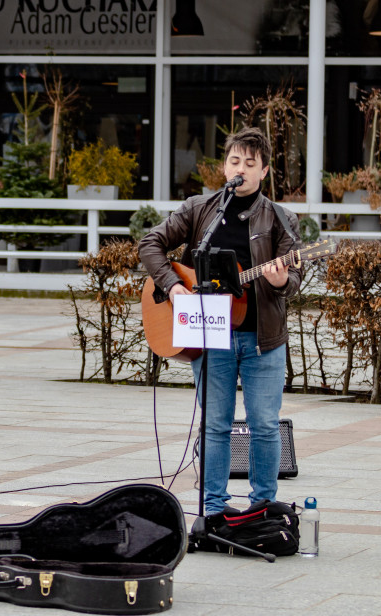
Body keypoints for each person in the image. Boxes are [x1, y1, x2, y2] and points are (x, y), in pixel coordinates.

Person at [138, 127, 302, 516]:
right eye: (234, 161)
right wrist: (174, 286)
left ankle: (263, 506)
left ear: (264, 171)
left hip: (263, 339)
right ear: (224, 167)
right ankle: (213, 508)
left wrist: (281, 280)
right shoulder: (199, 208)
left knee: (264, 424)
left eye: (250, 163)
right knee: (215, 425)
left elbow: (293, 280)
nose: (240, 169)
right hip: (211, 335)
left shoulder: (281, 218)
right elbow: (150, 244)